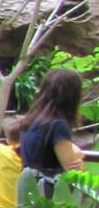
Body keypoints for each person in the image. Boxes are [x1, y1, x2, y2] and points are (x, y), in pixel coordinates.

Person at [18, 68, 87, 196]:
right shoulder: (58, 125)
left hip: (27, 190)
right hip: (48, 195)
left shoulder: (30, 120)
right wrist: (80, 161)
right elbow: (73, 172)